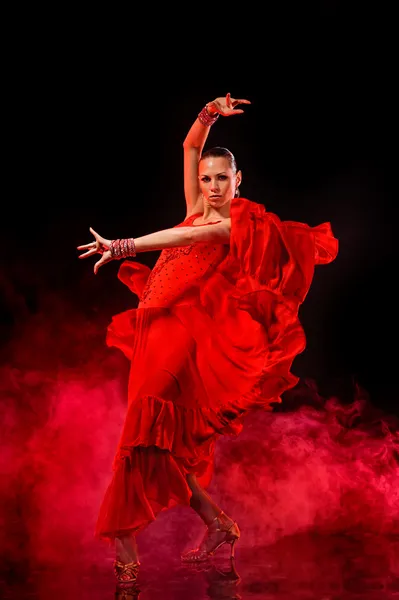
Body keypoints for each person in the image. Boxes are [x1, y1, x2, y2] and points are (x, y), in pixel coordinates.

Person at [77, 93, 338, 585]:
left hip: (179, 336)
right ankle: (219, 522)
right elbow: (189, 146)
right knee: (156, 441)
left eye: (223, 178)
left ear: (239, 181)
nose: (214, 186)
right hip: (153, 324)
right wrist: (209, 113)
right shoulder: (198, 205)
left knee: (141, 431)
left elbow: (184, 240)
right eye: (207, 178)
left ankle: (126, 545)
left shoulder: (230, 222)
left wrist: (122, 246)